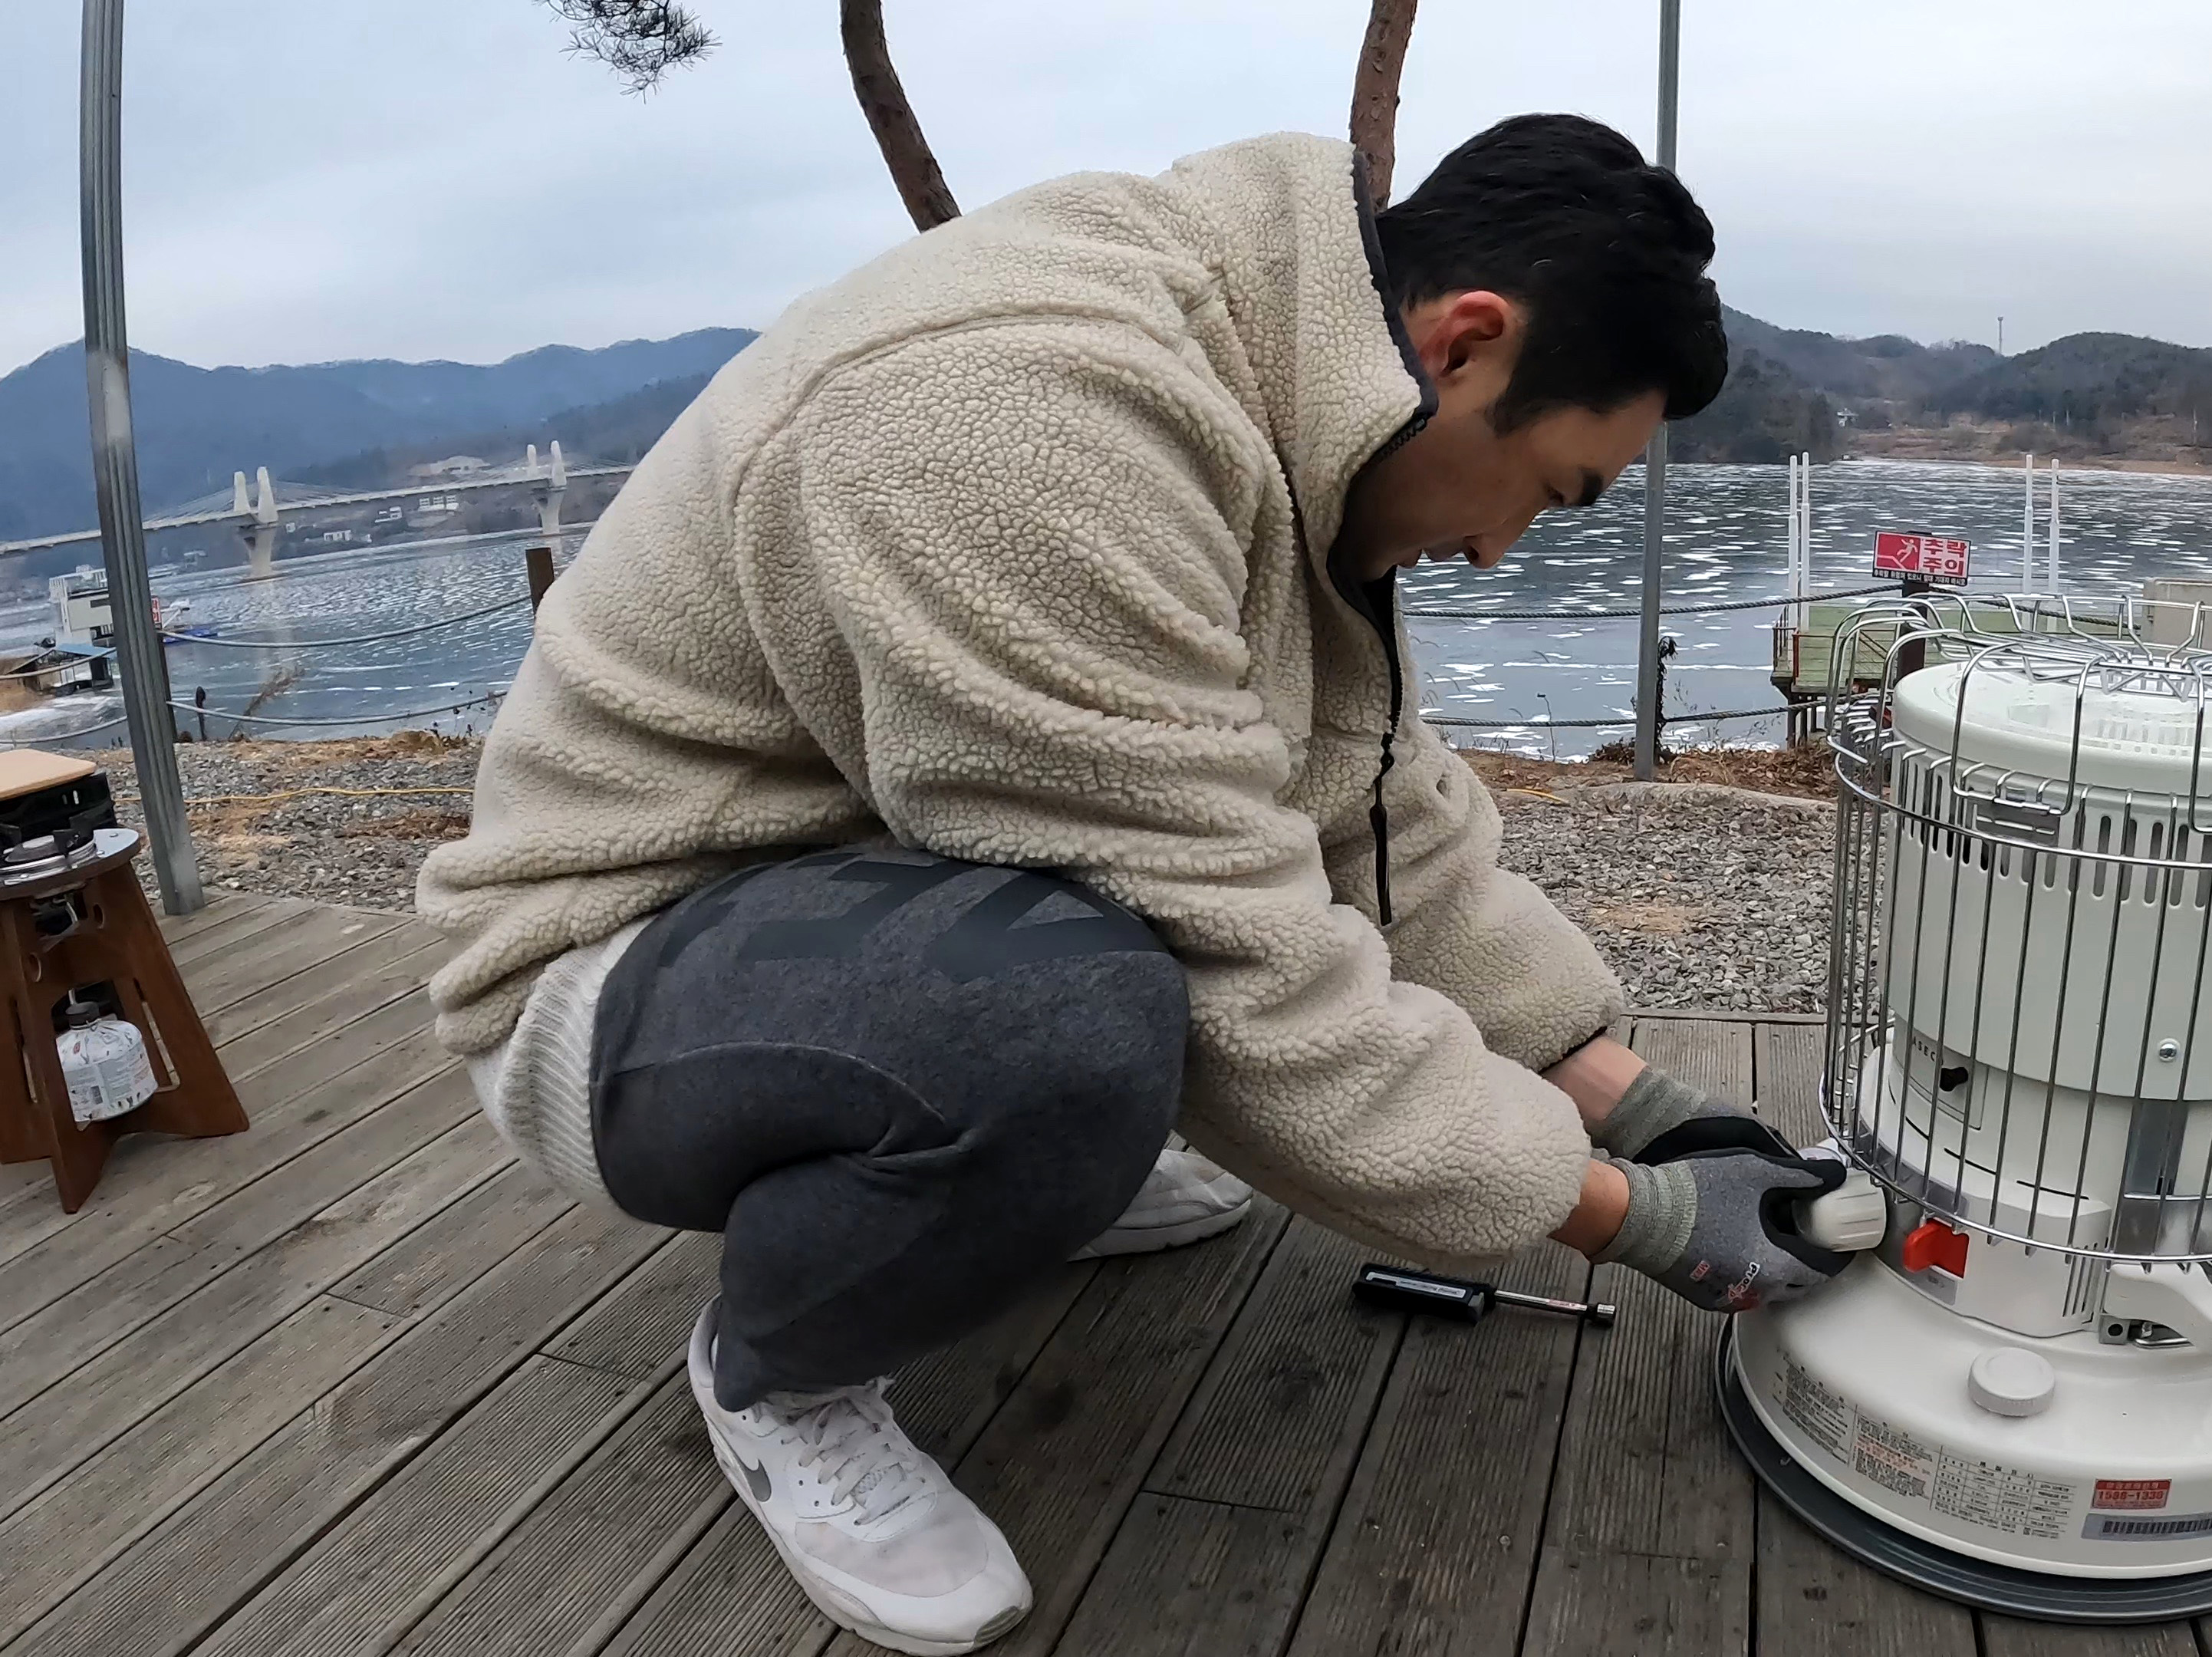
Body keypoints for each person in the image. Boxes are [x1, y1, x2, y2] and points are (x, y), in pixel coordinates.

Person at [417, 114, 1851, 1655]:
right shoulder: (1020, 414)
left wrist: (1648, 1113)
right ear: (1464, 343)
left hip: (864, 902)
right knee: (1076, 1026)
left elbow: (1374, 829)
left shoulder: (1280, 395)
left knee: (1092, 1025)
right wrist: (1640, 1221)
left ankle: (1014, 1168)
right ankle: (780, 1370)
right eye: (1551, 491)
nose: (1502, 550)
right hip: (610, 975)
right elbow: (1235, 962)